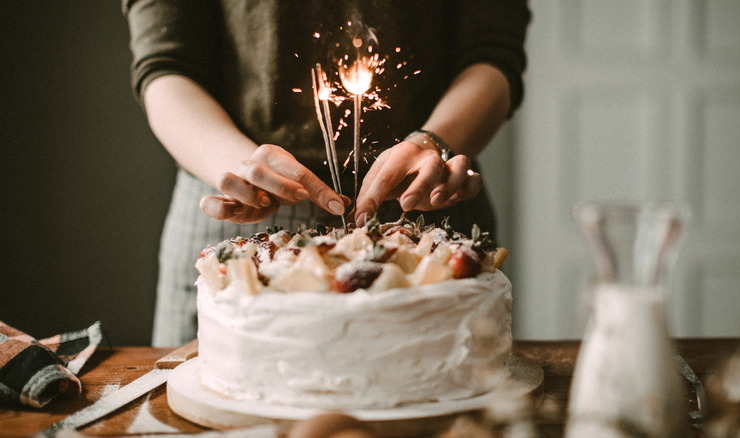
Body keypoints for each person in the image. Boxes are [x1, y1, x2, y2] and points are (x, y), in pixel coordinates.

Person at [124, 0, 531, 347]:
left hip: (425, 206)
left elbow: (492, 52)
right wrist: (240, 164)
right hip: (240, 213)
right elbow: (166, 62)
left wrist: (433, 143)